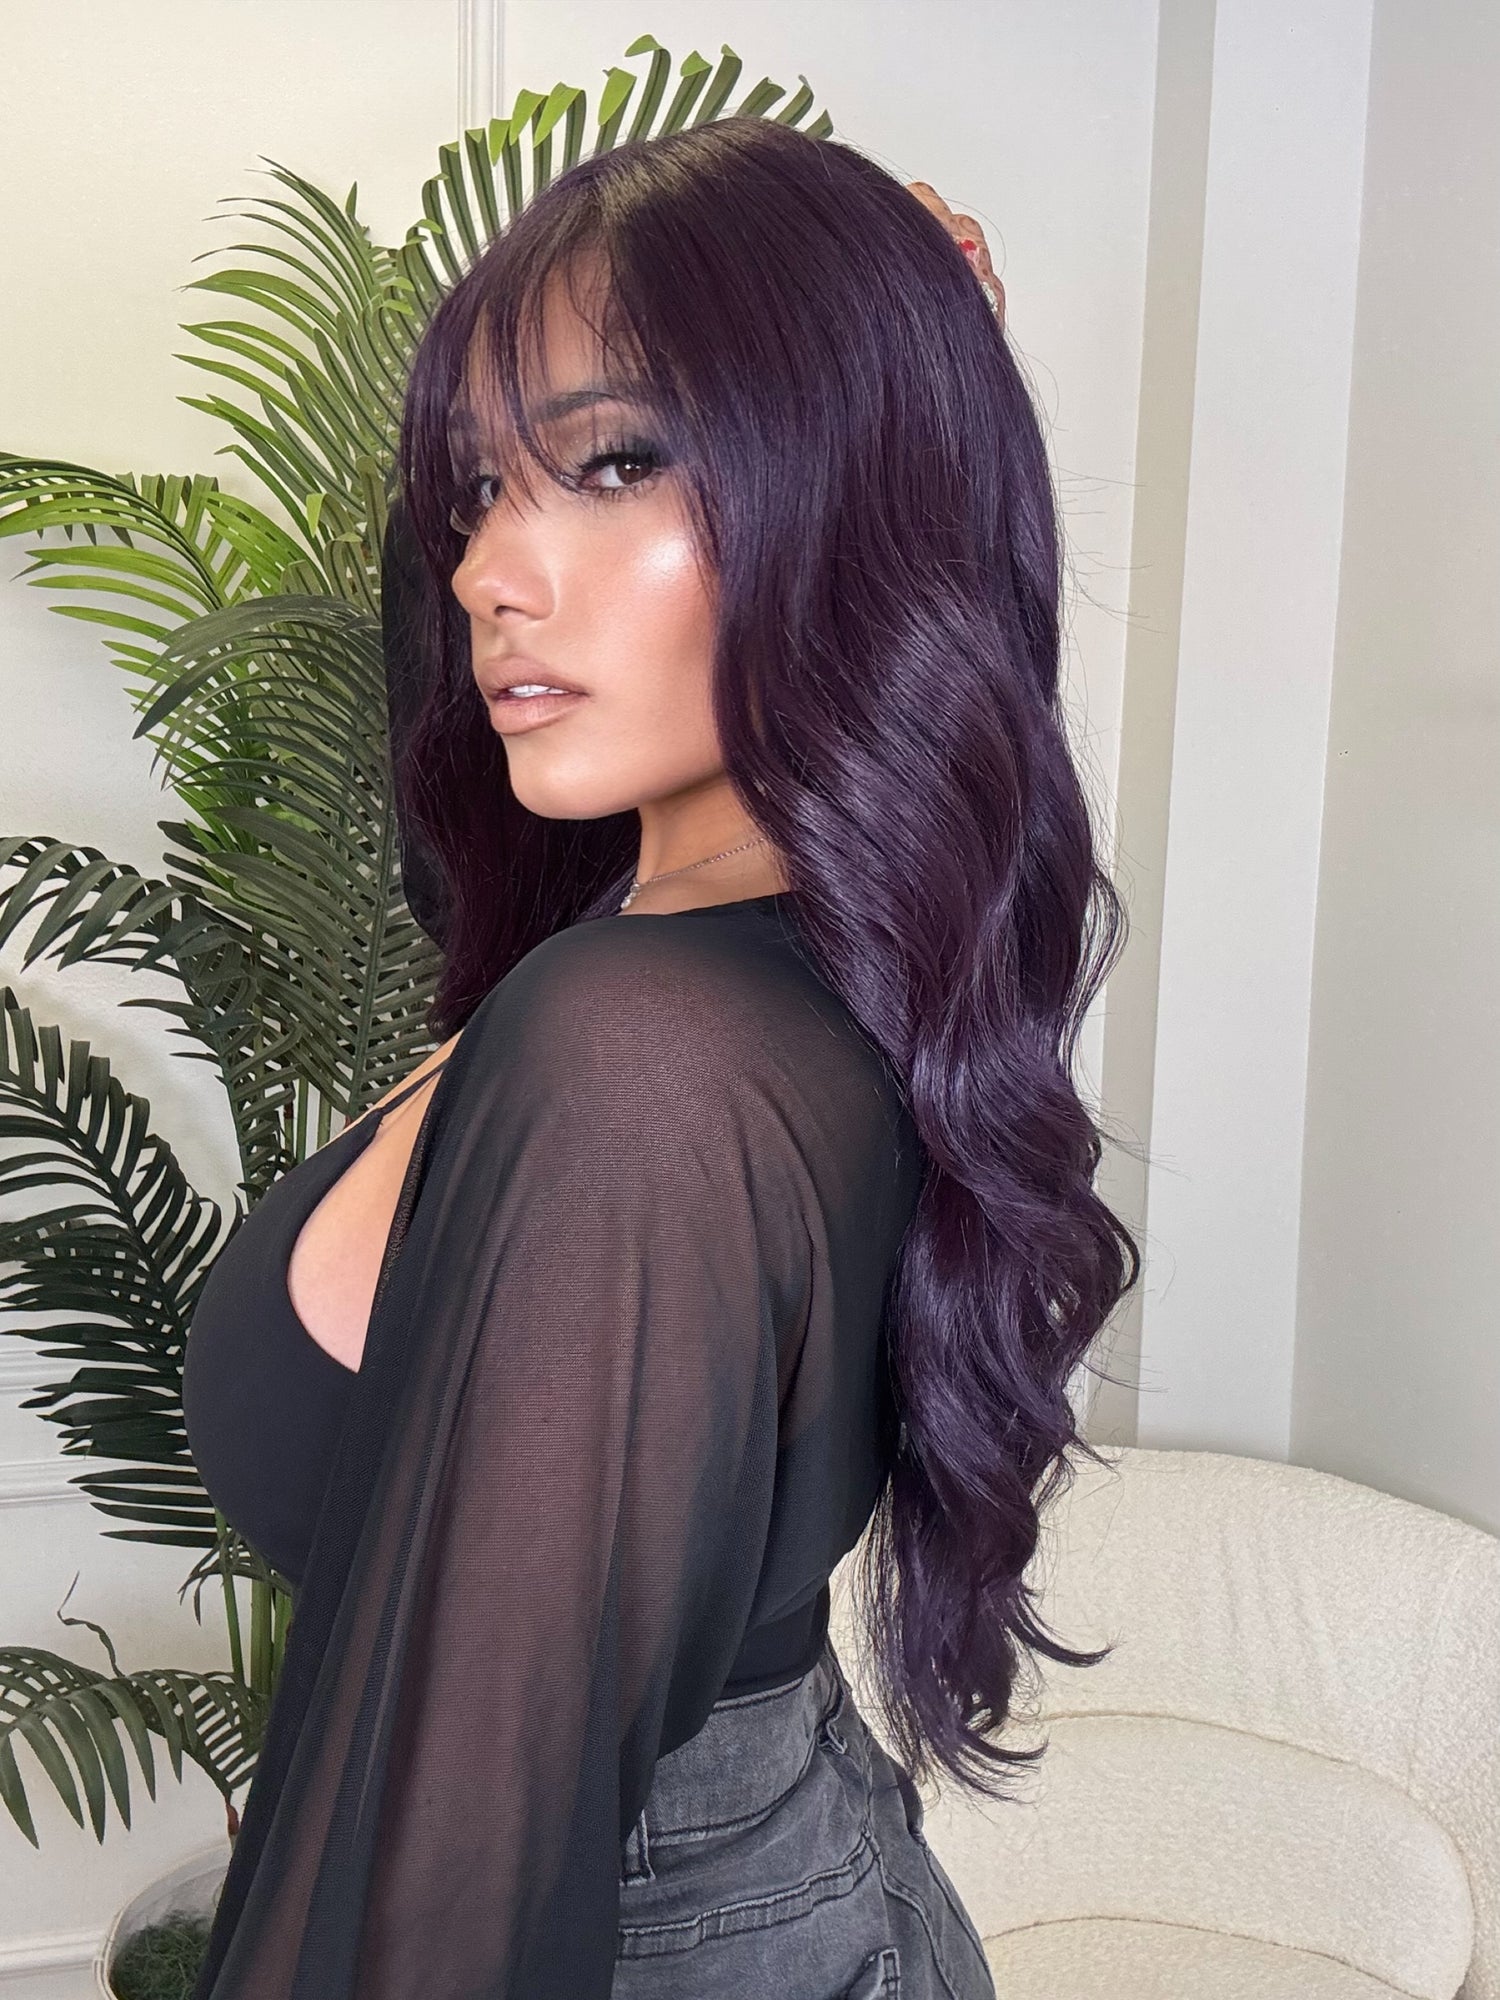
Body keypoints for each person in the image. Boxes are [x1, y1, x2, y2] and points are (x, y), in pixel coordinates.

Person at [182, 114, 1136, 2000]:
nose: (488, 573)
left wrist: (886, 358)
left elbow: (441, 1943)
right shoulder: (710, 940)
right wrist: (893, 328)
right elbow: (448, 666)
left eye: (618, 461)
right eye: (479, 490)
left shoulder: (643, 1059)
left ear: (857, 488)